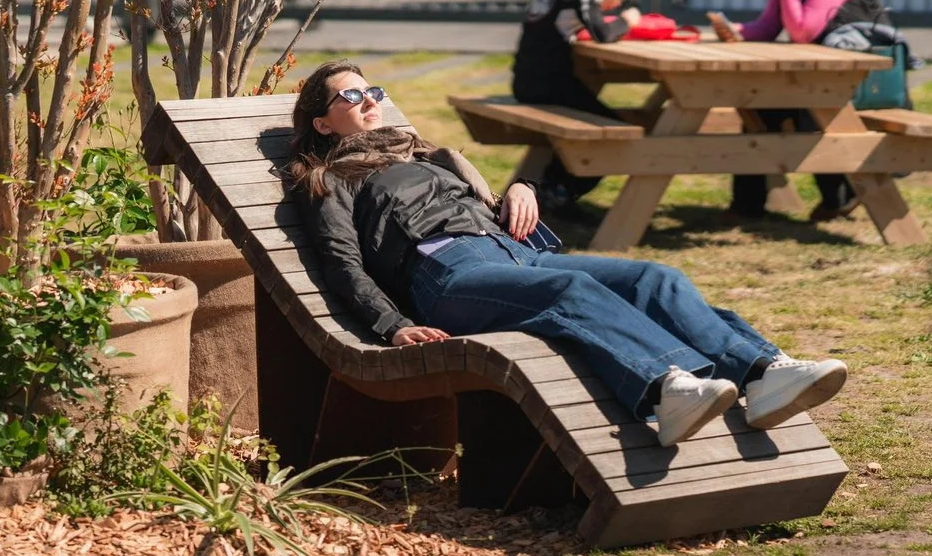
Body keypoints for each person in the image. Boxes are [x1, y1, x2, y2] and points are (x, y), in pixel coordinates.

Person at [290, 60, 849, 448]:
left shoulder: (424, 155)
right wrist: (392, 326)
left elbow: (486, 206)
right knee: (572, 291)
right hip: (446, 275)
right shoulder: (330, 178)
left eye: (373, 91)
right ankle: (667, 391)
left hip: (513, 254)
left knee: (654, 278)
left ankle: (760, 374)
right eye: (350, 96)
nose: (369, 100)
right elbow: (342, 262)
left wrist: (520, 188)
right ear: (322, 122)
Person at [716, 0, 888, 222]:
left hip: (860, 82)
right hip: (819, 78)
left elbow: (802, 31)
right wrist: (735, 31)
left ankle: (840, 196)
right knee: (757, 107)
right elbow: (769, 25)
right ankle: (748, 205)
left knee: (807, 111)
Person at [510, 0, 639, 220]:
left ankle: (553, 189)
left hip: (528, 80)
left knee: (600, 121)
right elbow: (603, 33)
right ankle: (559, 191)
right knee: (613, 131)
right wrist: (626, 21)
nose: (617, 4)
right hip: (547, 85)